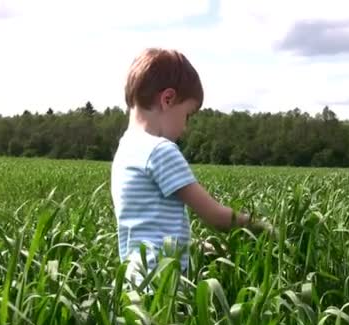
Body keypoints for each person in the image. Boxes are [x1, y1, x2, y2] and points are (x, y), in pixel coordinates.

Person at [110, 47, 274, 288]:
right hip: (164, 279)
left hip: (135, 279)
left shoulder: (125, 151)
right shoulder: (159, 150)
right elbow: (216, 216)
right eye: (188, 115)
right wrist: (263, 227)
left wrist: (198, 247)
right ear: (167, 99)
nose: (185, 127)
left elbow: (148, 227)